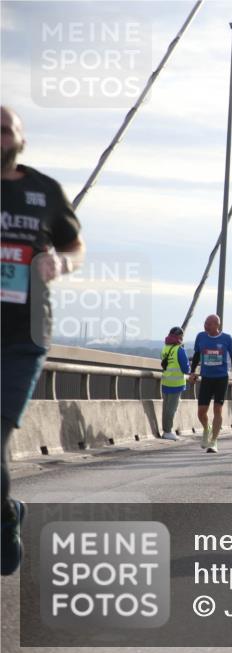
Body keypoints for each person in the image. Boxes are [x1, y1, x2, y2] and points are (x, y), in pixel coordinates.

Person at [1, 106, 85, 576]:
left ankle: (5, 518)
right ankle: (6, 510)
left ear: (20, 138)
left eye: (5, 129)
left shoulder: (45, 191)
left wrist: (62, 264)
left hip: (22, 338)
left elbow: (76, 246)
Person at [189, 314, 232, 453]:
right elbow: (197, 354)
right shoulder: (201, 336)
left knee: (217, 409)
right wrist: (193, 372)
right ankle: (206, 428)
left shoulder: (226, 338)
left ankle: (214, 441)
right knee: (201, 411)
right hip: (206, 378)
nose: (206, 326)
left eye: (209, 324)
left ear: (217, 325)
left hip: (221, 378)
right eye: (205, 323)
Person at [159, 326, 190, 441]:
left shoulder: (164, 348)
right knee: (171, 409)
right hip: (176, 383)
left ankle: (165, 430)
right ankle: (168, 431)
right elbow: (186, 369)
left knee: (166, 408)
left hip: (166, 381)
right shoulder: (179, 349)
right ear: (179, 336)